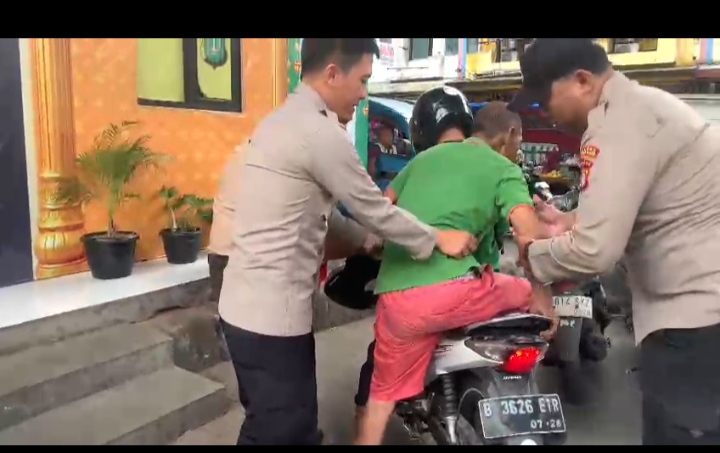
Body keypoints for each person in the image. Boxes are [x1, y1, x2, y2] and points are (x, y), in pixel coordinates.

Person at [218, 39, 479, 446]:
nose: (363, 94)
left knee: (268, 424)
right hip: (268, 317)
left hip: (246, 308)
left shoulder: (282, 121)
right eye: (362, 80)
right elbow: (374, 207)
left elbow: (318, 218)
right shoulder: (318, 133)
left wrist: (366, 242)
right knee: (285, 431)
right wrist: (437, 238)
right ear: (332, 74)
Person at [509, 38, 720, 445]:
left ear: (582, 81)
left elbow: (594, 251)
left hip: (696, 324)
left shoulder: (616, 124)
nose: (544, 112)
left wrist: (532, 256)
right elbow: (648, 207)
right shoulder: (644, 107)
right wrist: (570, 220)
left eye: (544, 99)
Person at [354, 95, 559, 445]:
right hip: (457, 293)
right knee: (523, 291)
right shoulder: (503, 169)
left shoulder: (416, 163)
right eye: (520, 142)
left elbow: (375, 230)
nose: (519, 151)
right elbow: (529, 236)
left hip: (398, 304)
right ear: (509, 135)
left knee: (381, 398)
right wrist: (544, 299)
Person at [207, 143, 246, 303]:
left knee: (223, 307)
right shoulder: (258, 164)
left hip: (219, 249)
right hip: (237, 253)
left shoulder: (240, 154)